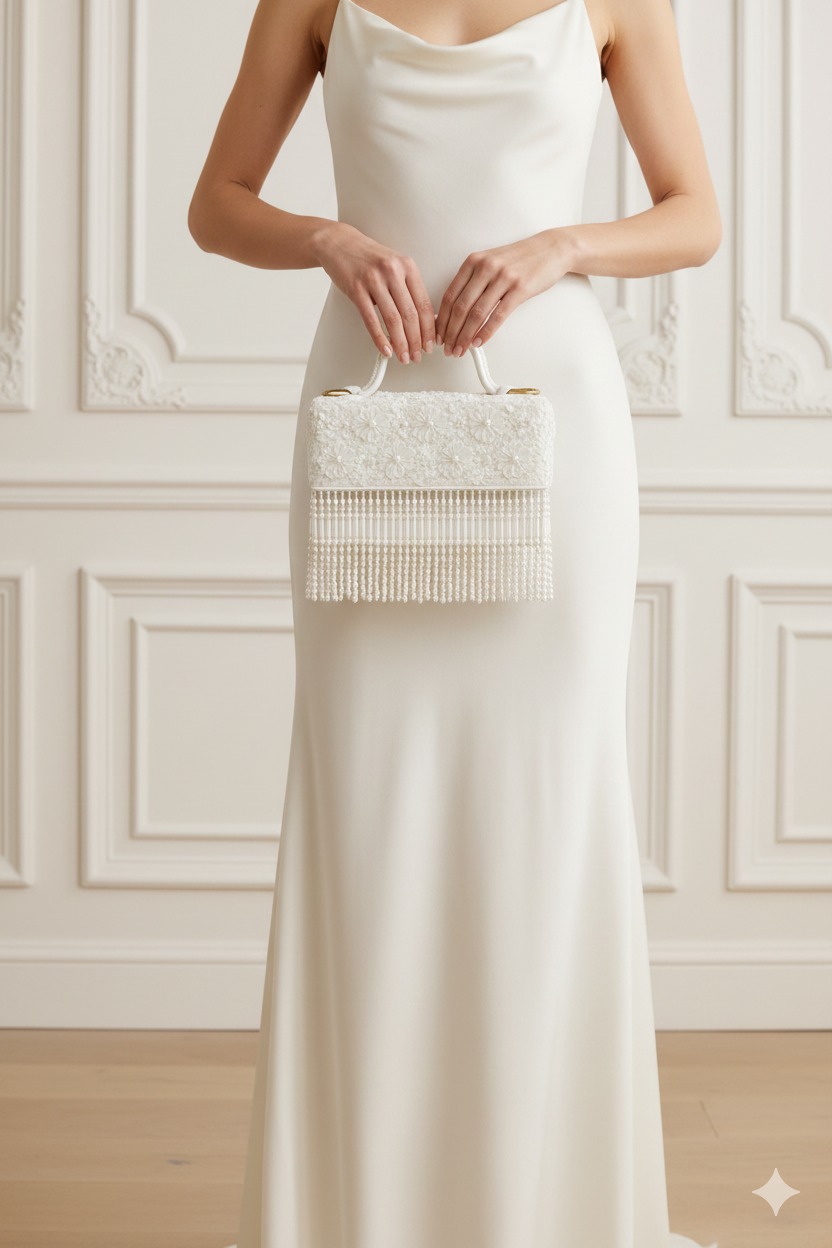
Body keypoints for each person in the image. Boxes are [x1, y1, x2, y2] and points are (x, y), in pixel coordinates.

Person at [188, 2, 721, 1246]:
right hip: (367, 407)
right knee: (367, 806)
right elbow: (216, 204)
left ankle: (549, 1213)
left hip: (553, 409)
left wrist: (561, 247)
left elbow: (694, 213)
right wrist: (328, 240)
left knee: (549, 801)